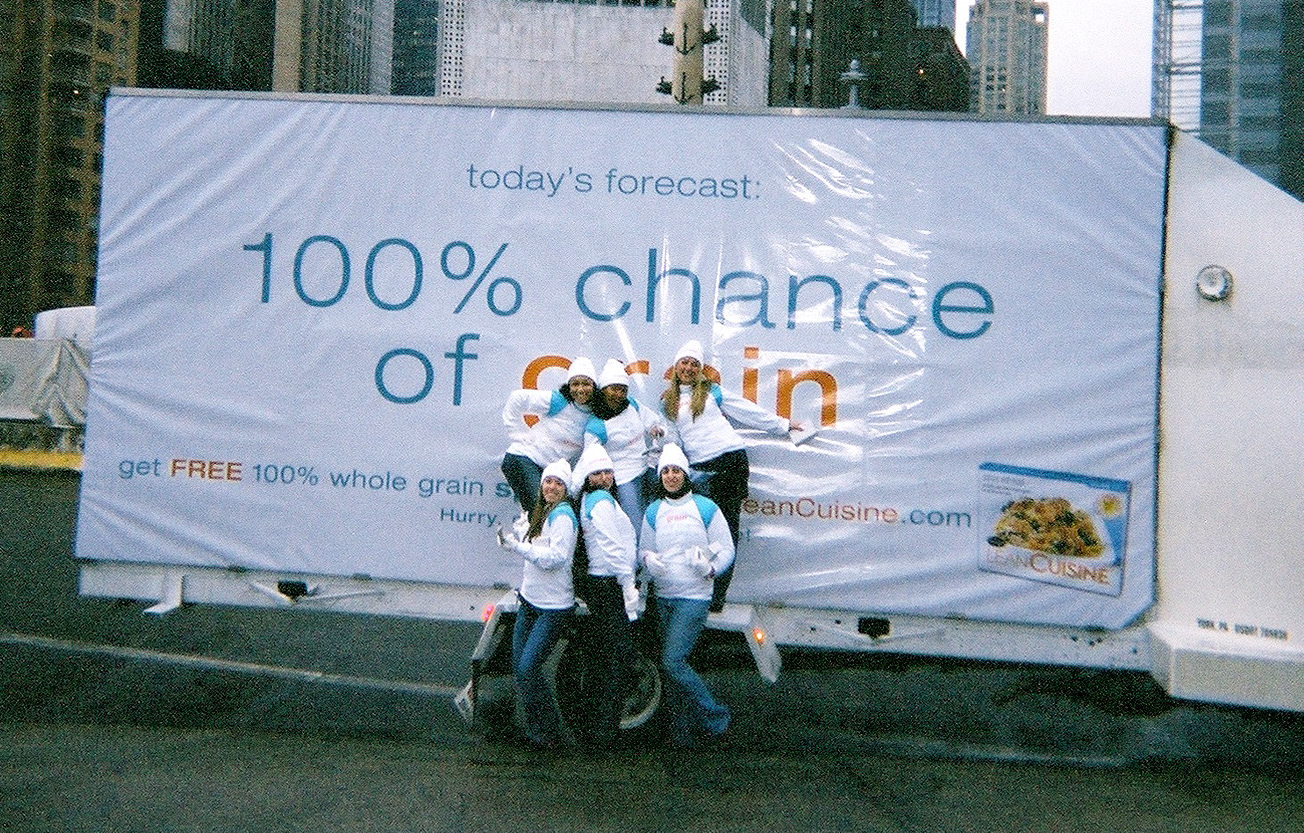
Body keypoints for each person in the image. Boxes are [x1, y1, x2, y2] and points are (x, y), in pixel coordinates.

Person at [660, 339, 800, 610]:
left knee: (725, 530)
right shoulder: (667, 401)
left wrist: (784, 425)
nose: (688, 368)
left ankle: (717, 596)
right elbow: (674, 440)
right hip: (700, 468)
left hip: (729, 461)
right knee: (699, 528)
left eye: (694, 364)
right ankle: (696, 587)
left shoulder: (711, 391)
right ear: (676, 366)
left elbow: (747, 411)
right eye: (684, 362)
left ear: (700, 369)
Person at [639, 443, 735, 748]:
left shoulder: (705, 508)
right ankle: (682, 734)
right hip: (663, 596)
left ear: (685, 475)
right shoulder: (654, 511)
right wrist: (648, 560)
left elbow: (727, 548)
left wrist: (711, 569)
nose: (671, 476)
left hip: (694, 597)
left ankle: (716, 717)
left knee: (672, 661)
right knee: (674, 668)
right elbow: (643, 549)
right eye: (665, 471)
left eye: (676, 471)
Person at [496, 459, 578, 750]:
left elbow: (555, 559)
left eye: (558, 483)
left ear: (566, 489)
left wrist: (518, 547)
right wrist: (518, 536)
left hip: (553, 607)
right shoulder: (543, 511)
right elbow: (536, 549)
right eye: (548, 481)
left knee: (529, 668)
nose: (551, 487)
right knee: (521, 668)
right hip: (530, 601)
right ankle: (537, 730)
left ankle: (549, 732)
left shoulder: (564, 516)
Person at [570, 443, 640, 749]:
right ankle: (604, 730)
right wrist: (627, 584)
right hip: (608, 583)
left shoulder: (593, 498)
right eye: (597, 473)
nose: (604, 478)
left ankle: (592, 724)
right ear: (587, 476)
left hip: (600, 583)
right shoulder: (600, 500)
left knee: (603, 655)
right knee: (618, 656)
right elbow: (612, 547)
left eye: (608, 472)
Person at [501, 356, 597, 514]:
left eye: (586, 384)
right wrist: (517, 433)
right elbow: (517, 399)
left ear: (594, 386)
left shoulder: (595, 414)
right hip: (524, 459)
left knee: (554, 514)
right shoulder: (559, 401)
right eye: (575, 384)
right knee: (542, 512)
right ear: (569, 386)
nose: (580, 390)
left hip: (550, 472)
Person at [584, 358, 665, 537]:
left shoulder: (632, 405)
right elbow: (588, 460)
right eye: (614, 389)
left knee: (660, 513)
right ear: (603, 390)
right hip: (624, 477)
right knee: (635, 521)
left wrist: (656, 429)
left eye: (623, 390)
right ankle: (639, 552)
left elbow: (654, 421)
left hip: (648, 467)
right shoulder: (596, 425)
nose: (618, 395)